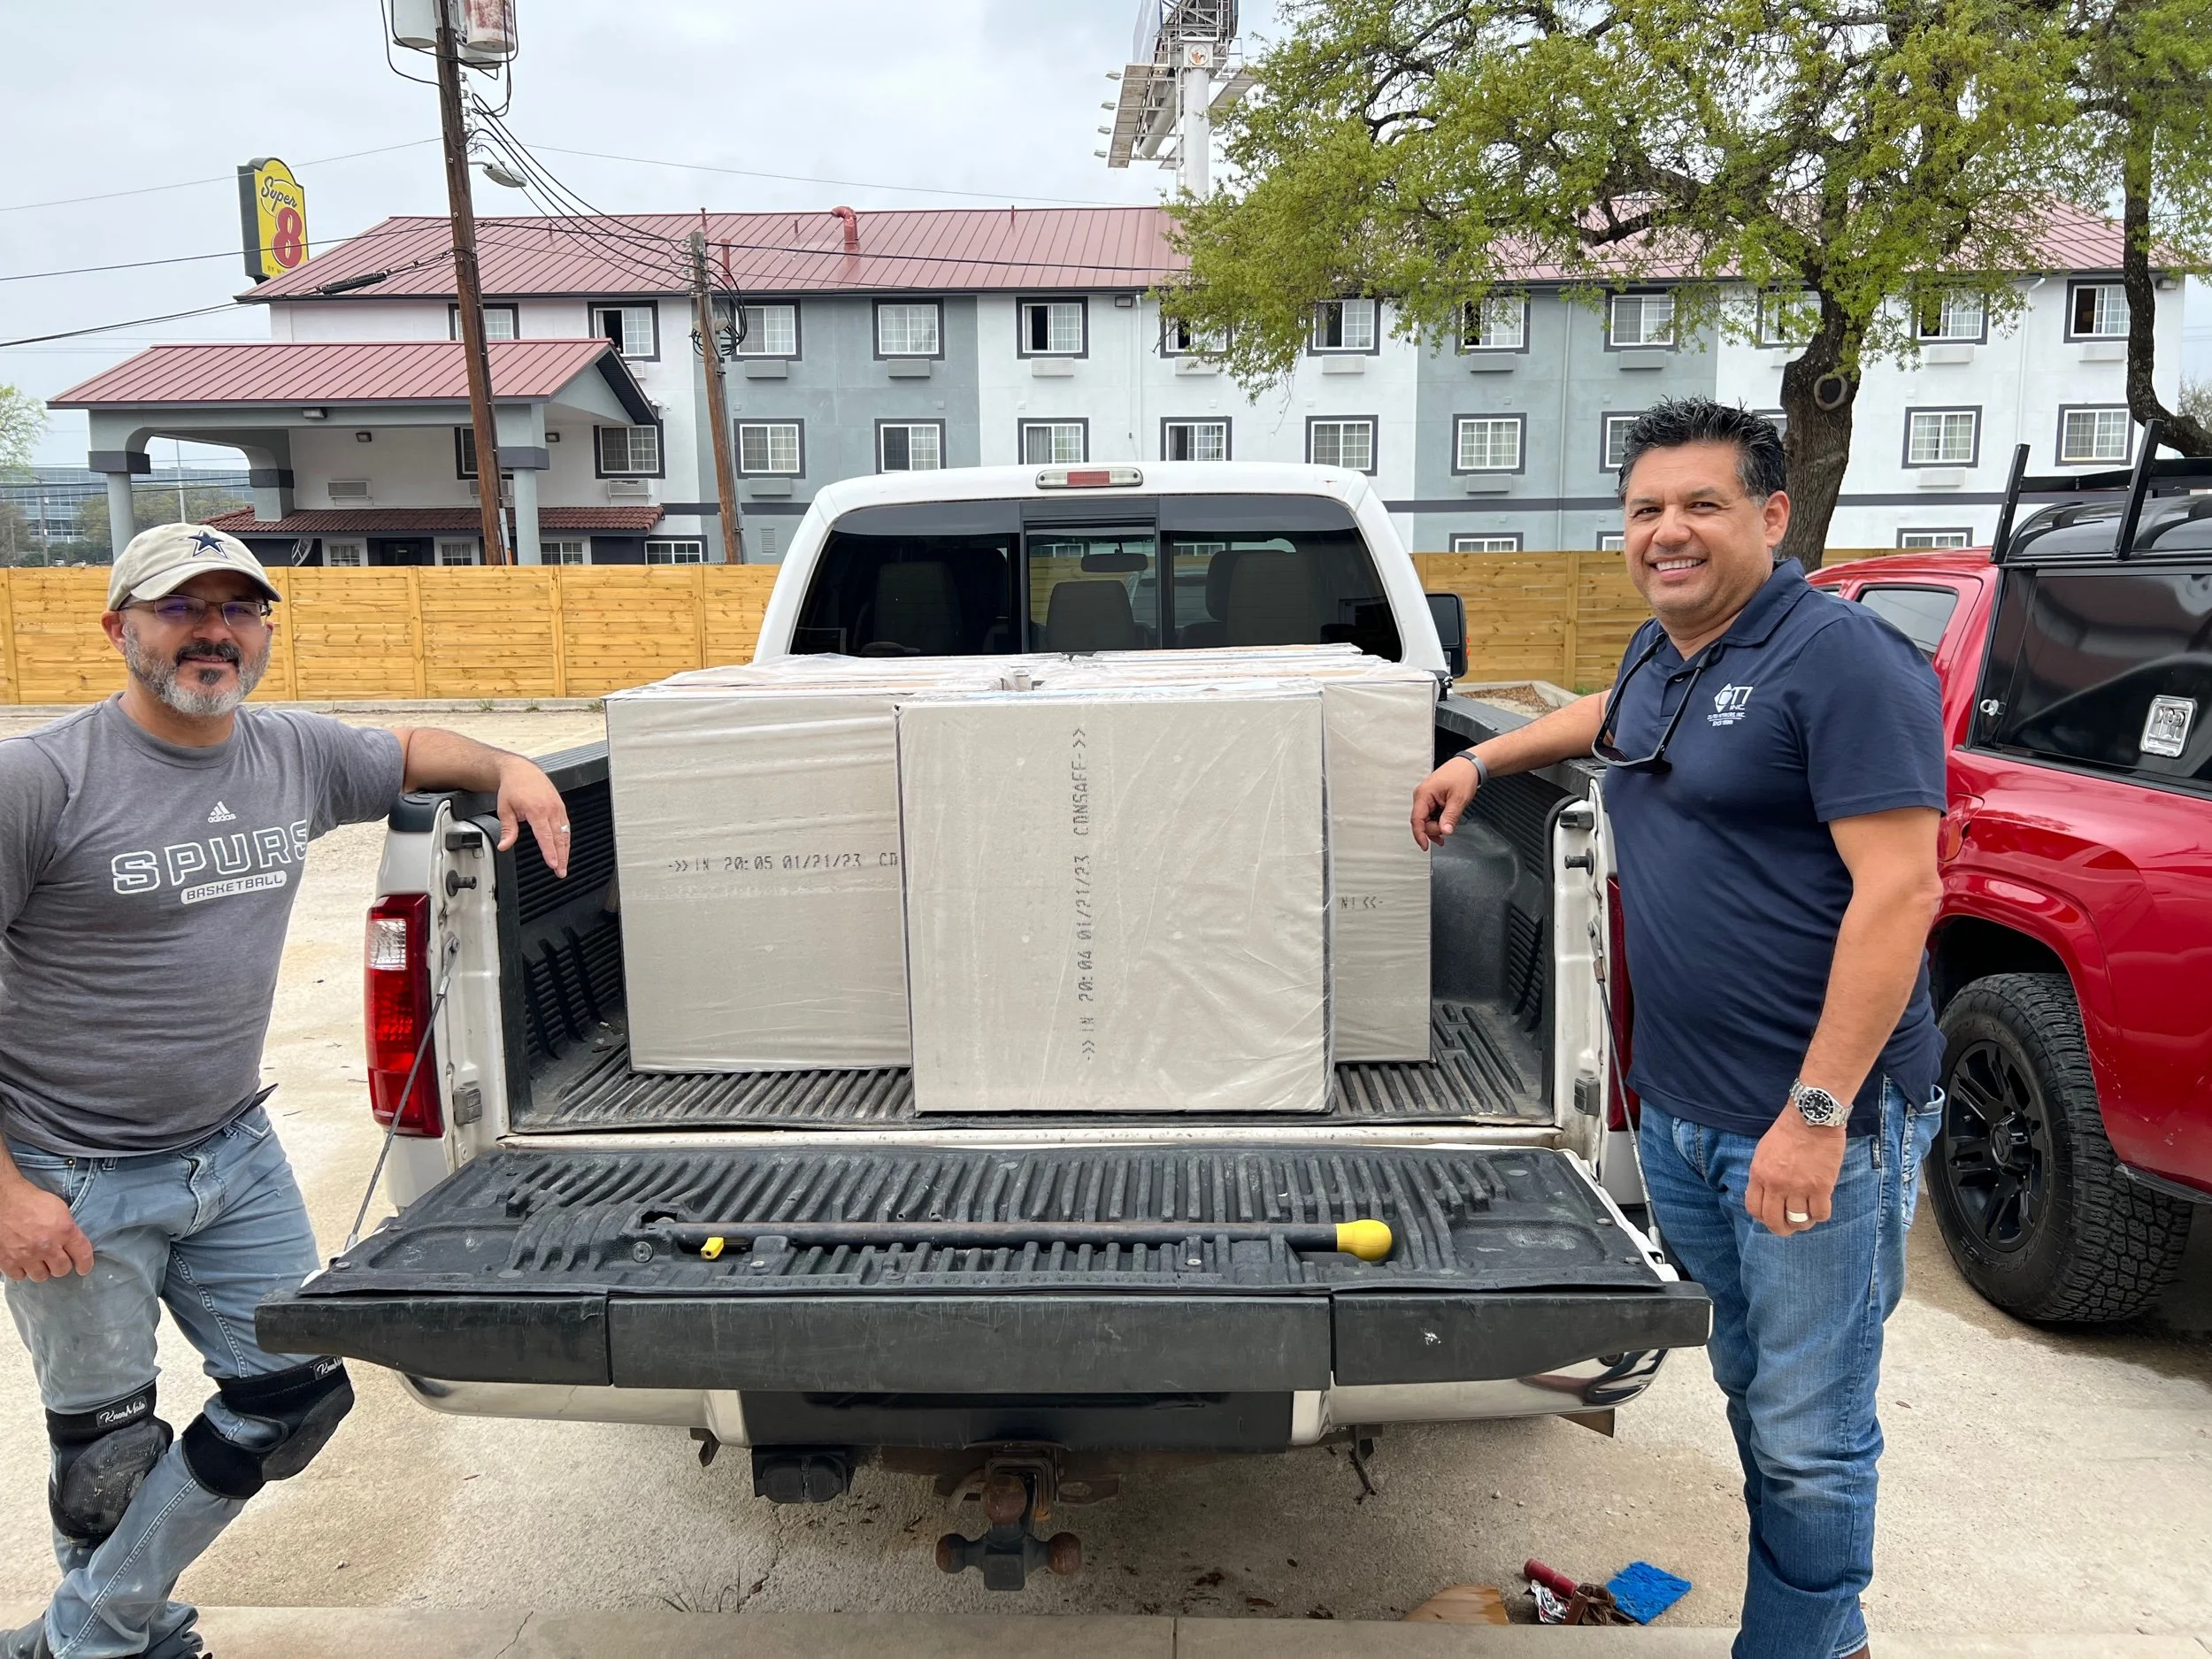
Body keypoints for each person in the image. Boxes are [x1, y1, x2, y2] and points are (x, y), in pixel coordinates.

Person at [1413, 400, 1946, 1659]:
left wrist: (1814, 1120)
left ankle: (1805, 1641)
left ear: (1773, 515)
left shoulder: (1844, 661)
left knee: (1813, 1424)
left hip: (1815, 1120)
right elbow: (1609, 716)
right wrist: (1480, 765)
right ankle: (1824, 1623)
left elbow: (1904, 892)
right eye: (1648, 509)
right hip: (1690, 1110)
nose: (1669, 530)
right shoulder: (1672, 648)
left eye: (1702, 505)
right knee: (1756, 1386)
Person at [0, 523, 572, 1659]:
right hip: (72, 1169)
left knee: (294, 1398)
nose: (215, 631)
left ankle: (83, 1636)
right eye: (182, 608)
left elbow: (414, 748)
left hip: (233, 1153)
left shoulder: (292, 755)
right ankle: (128, 1642)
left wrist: (508, 767)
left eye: (240, 609)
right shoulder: (39, 779)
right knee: (108, 1459)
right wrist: (8, 1190)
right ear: (118, 628)